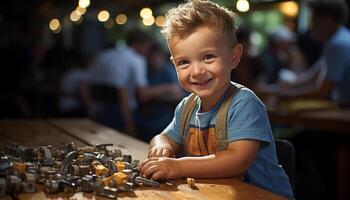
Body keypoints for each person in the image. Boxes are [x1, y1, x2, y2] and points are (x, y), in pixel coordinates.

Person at [138, 0, 293, 199]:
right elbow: (164, 137)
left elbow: (238, 160)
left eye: (208, 57)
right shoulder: (187, 107)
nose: (197, 71)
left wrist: (177, 166)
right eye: (184, 62)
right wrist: (162, 146)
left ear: (234, 57)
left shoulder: (244, 103)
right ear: (174, 65)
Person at [258, 0, 350, 107]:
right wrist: (273, 89)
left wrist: (289, 95)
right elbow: (313, 77)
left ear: (327, 20)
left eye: (315, 21)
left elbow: (323, 92)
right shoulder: (338, 39)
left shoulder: (337, 44)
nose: (312, 27)